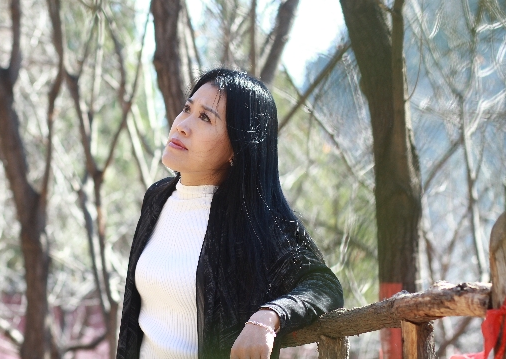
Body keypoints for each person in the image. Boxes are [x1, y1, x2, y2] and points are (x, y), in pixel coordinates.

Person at [117, 68, 343, 359]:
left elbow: (324, 285)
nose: (182, 125)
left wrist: (270, 316)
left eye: (205, 118)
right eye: (187, 109)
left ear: (236, 148)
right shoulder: (157, 198)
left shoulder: (255, 223)